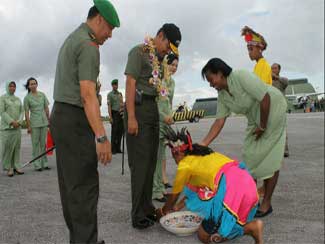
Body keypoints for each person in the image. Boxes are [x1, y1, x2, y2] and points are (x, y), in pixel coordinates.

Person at [50, 1, 119, 243]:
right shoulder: (89, 45)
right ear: (99, 19)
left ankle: (80, 239)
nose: (110, 35)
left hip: (61, 116)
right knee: (84, 187)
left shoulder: (73, 38)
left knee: (71, 187)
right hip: (75, 119)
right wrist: (101, 137)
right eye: (109, 28)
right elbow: (87, 94)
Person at [200, 58, 287, 218]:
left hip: (273, 109)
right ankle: (253, 201)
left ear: (220, 73)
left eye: (211, 79)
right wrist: (203, 144)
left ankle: (266, 203)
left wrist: (262, 126)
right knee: (249, 156)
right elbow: (219, 121)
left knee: (270, 158)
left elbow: (265, 97)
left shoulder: (241, 76)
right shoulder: (223, 95)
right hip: (256, 118)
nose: (211, 84)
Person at [156, 127, 263, 244]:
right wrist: (176, 208)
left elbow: (173, 197)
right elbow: (195, 189)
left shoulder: (184, 166)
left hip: (231, 189)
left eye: (174, 157)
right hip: (246, 182)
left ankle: (251, 228)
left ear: (177, 153)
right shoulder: (202, 152)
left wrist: (162, 211)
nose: (175, 161)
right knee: (223, 223)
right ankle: (251, 230)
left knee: (204, 237)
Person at [124, 23, 181, 229]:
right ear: (160, 35)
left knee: (150, 163)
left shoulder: (159, 59)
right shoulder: (138, 52)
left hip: (152, 110)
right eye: (168, 46)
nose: (168, 51)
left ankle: (147, 208)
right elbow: (130, 83)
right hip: (138, 109)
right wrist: (131, 116)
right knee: (140, 164)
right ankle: (138, 215)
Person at [152, 54, 178, 202]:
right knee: (157, 157)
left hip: (166, 121)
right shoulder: (158, 79)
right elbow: (157, 102)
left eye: (176, 66)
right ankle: (156, 191)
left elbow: (169, 102)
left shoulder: (171, 82)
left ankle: (160, 188)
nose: (173, 68)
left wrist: (170, 116)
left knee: (161, 156)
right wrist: (163, 116)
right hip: (158, 120)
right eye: (171, 64)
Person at [24, 77, 50, 171]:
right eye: (31, 84)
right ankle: (37, 164)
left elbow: (46, 108)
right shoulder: (27, 98)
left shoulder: (42, 95)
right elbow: (27, 113)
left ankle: (45, 163)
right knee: (35, 145)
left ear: (37, 84)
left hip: (43, 122)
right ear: (28, 86)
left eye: (35, 83)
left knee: (43, 144)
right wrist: (28, 126)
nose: (33, 85)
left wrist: (49, 120)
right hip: (34, 123)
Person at [0, 81, 24, 177]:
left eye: (14, 86)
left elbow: (22, 111)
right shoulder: (2, 98)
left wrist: (19, 121)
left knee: (17, 147)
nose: (12, 88)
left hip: (17, 128)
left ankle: (17, 166)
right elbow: (2, 112)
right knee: (8, 148)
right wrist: (11, 122)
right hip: (7, 128)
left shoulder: (18, 99)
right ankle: (9, 167)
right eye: (10, 86)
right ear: (7, 87)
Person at [271, 63, 290, 157]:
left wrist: (276, 77)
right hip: (271, 109)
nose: (273, 70)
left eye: (275, 68)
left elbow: (287, 82)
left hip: (280, 109)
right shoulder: (269, 81)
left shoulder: (282, 81)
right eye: (272, 68)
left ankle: (285, 150)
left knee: (282, 129)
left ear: (279, 70)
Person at [107, 79, 124, 154]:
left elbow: (122, 103)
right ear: (112, 85)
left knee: (120, 131)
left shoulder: (120, 94)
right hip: (114, 114)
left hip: (120, 114)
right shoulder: (110, 94)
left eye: (116, 85)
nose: (115, 86)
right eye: (114, 85)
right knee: (114, 131)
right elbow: (109, 106)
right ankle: (113, 149)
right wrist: (110, 117)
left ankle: (118, 148)